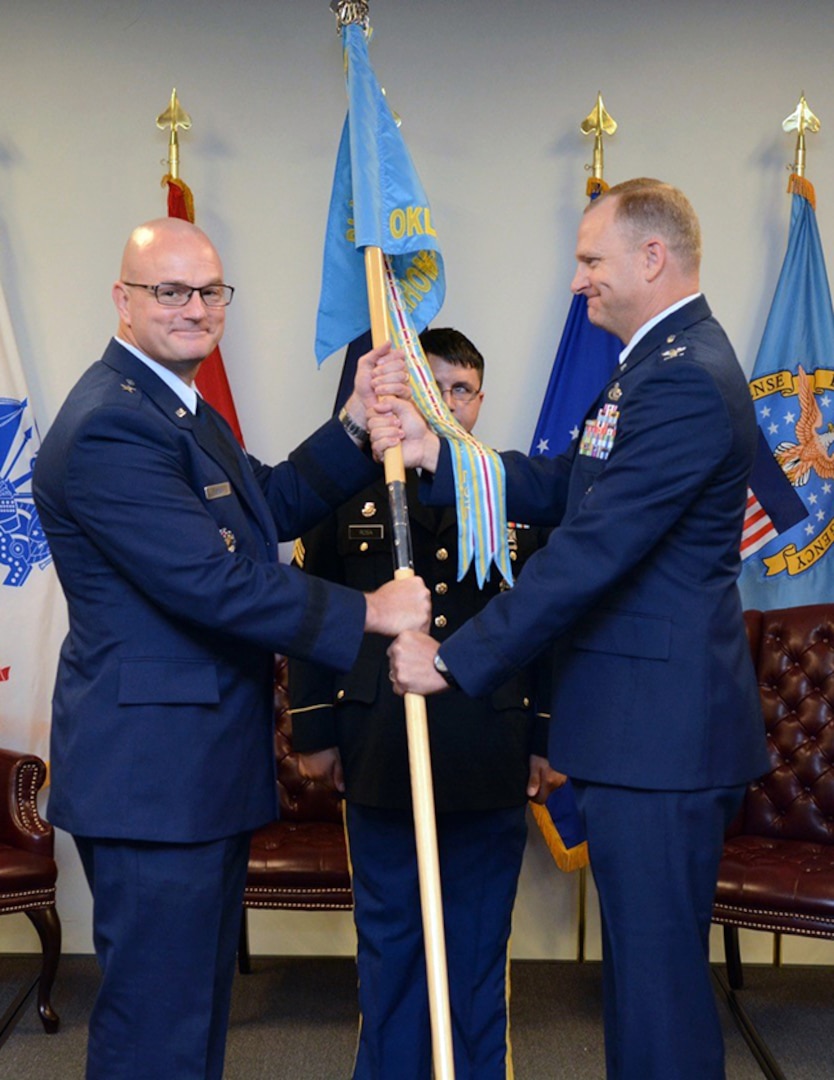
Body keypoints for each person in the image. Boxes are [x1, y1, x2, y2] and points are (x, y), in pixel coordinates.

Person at [381, 181, 770, 1080]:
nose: (577, 280)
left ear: (652, 258)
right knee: (642, 980)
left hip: (664, 737)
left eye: (592, 259)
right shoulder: (656, 364)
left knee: (657, 991)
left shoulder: (683, 379)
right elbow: (569, 487)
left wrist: (456, 657)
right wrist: (447, 455)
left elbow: (593, 548)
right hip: (643, 731)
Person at [31, 216, 430, 1080]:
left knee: (190, 1016)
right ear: (123, 301)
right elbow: (212, 586)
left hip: (192, 771)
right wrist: (373, 613)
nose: (195, 309)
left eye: (210, 291)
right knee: (156, 1030)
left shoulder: (176, 406)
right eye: (169, 291)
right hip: (152, 779)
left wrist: (358, 426)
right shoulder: (111, 427)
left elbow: (266, 506)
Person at [289, 326, 562, 1079]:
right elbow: (313, 610)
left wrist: (547, 735)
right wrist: (313, 726)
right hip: (379, 748)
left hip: (486, 749)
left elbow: (550, 628)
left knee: (476, 949)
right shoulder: (347, 489)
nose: (447, 404)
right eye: (431, 388)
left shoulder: (521, 499)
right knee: (391, 945)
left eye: (462, 390)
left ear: (480, 402)